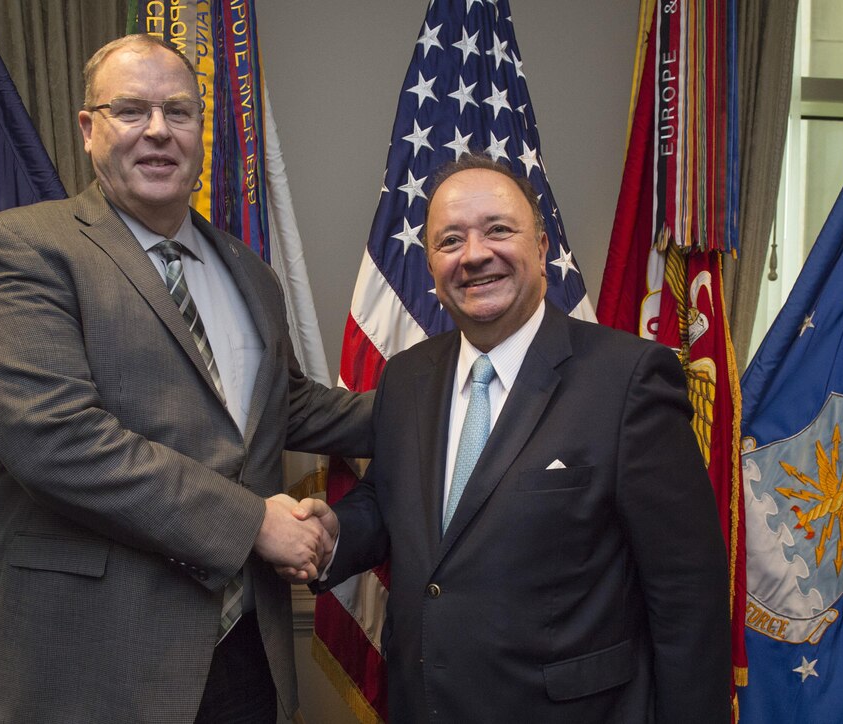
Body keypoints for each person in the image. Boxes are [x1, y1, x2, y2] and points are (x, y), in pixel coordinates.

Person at [0, 34, 371, 724]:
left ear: (201, 132)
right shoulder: (19, 249)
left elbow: (285, 407)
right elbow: (55, 441)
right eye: (130, 110)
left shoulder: (248, 273)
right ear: (88, 129)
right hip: (92, 662)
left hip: (244, 655)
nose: (157, 131)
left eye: (178, 112)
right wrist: (251, 524)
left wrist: (442, 403)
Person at [299, 154, 731, 723]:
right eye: (450, 240)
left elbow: (687, 599)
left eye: (498, 230)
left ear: (543, 245)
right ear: (431, 265)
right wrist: (334, 535)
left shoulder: (627, 381)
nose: (475, 255)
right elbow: (396, 503)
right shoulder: (407, 378)